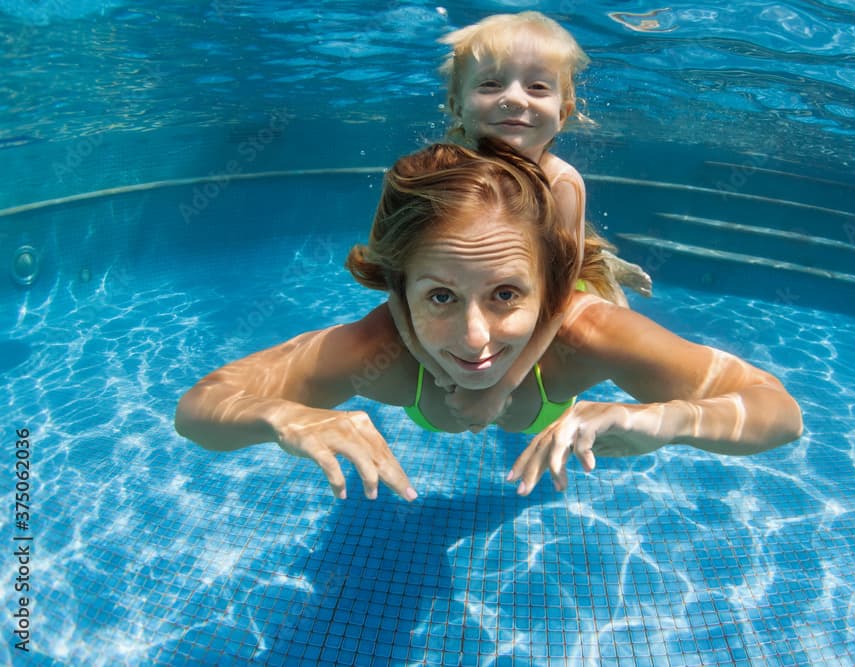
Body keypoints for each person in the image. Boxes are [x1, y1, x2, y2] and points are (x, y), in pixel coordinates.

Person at [174, 141, 803, 503]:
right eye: (441, 297)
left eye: (505, 294)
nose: (476, 340)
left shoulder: (587, 336)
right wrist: (283, 416)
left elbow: (778, 412)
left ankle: (589, 264)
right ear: (399, 290)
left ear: (547, 290)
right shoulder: (379, 349)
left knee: (586, 279)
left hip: (562, 306)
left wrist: (665, 420)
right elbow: (201, 407)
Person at [389, 11, 653, 429]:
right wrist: (432, 365)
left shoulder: (563, 183)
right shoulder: (438, 175)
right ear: (457, 104)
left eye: (537, 86)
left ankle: (605, 265)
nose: (514, 98)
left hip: (549, 278)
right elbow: (396, 281)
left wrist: (502, 386)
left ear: (563, 112)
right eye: (491, 84)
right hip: (494, 280)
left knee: (604, 308)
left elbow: (557, 299)